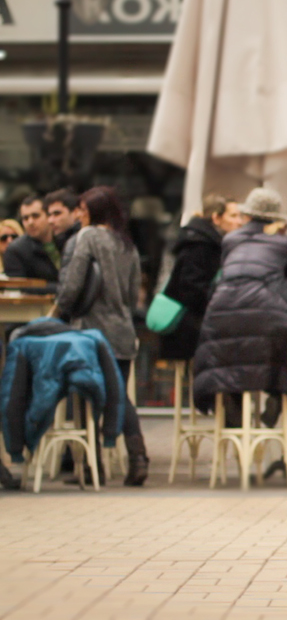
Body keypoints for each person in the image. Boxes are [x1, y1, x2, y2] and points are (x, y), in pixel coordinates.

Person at [192, 188, 287, 423]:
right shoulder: (281, 241)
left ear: (248, 215)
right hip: (268, 311)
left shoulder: (230, 239)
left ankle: (233, 399)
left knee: (232, 352)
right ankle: (278, 394)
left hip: (222, 312)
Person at [55, 186, 148, 486]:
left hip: (91, 330)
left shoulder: (88, 237)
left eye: (83, 208)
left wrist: (58, 313)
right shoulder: (128, 245)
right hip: (122, 330)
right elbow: (134, 295)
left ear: (95, 211)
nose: (79, 214)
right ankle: (137, 455)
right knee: (119, 394)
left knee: (87, 394)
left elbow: (72, 285)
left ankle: (92, 466)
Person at [158, 194, 242, 362]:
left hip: (194, 325)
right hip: (192, 328)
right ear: (216, 218)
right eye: (233, 216)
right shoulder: (201, 244)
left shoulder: (204, 240)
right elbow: (191, 287)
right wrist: (219, 302)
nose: (239, 221)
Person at [3, 195, 61, 290]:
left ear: (48, 216)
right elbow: (19, 288)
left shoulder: (64, 240)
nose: (30, 222)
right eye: (25, 218)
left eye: (35, 216)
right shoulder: (15, 250)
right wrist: (61, 288)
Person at [44, 188, 84, 255]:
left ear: (75, 212)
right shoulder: (60, 240)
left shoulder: (83, 241)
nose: (50, 221)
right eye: (49, 215)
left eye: (57, 214)